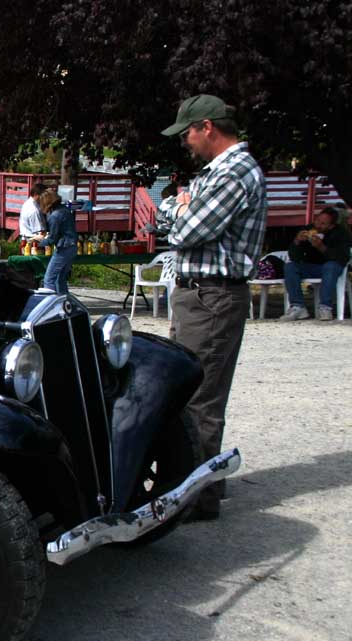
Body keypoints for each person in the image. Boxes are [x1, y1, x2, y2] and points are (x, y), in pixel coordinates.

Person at [161, 94, 266, 520]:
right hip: (202, 293)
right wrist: (178, 205)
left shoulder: (234, 171)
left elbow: (186, 230)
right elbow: (172, 214)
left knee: (197, 398)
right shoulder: (222, 171)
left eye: (187, 132)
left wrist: (182, 208)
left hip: (212, 295)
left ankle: (197, 498)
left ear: (207, 127)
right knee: (190, 392)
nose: (185, 141)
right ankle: (201, 486)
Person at [279, 206, 351, 321]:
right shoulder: (308, 229)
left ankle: (325, 307)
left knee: (330, 266)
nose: (318, 225)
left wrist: (321, 247)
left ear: (331, 226)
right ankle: (298, 307)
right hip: (311, 266)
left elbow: (341, 258)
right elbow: (294, 257)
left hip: (332, 268)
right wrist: (297, 241)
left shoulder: (341, 233)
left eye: (323, 224)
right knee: (290, 267)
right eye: (317, 221)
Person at [37, 189, 78, 293]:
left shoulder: (55, 216)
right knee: (60, 279)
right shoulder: (64, 209)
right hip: (72, 246)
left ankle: (50, 305)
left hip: (64, 247)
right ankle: (64, 303)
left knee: (49, 279)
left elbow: (52, 239)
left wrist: (39, 242)